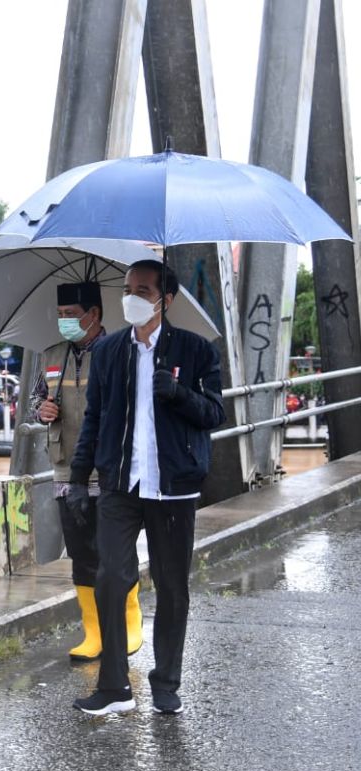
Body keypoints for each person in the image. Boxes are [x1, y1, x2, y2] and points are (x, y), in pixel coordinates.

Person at [68, 259, 225, 716]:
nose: (131, 297)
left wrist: (177, 393)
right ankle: (115, 686)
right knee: (111, 579)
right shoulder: (111, 351)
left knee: (173, 586)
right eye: (127, 288)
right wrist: (79, 479)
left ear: (165, 299)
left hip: (173, 486)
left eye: (142, 289)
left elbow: (216, 414)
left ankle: (166, 683)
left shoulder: (197, 351)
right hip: (121, 483)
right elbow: (95, 417)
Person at [30, 282, 143, 661]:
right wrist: (40, 410)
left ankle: (129, 623)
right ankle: (93, 633)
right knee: (81, 553)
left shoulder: (121, 351)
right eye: (60, 316)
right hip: (65, 471)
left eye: (71, 315)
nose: (64, 322)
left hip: (110, 470)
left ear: (94, 315)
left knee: (115, 552)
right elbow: (34, 401)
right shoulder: (51, 356)